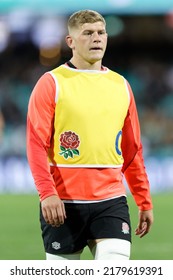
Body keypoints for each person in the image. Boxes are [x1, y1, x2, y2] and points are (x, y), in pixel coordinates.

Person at [26, 9, 154, 260]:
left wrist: (143, 199)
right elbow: (35, 144)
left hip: (111, 201)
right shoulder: (52, 83)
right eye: (87, 33)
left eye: (101, 32)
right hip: (62, 203)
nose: (96, 38)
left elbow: (132, 150)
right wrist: (47, 193)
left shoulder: (121, 85)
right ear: (70, 42)